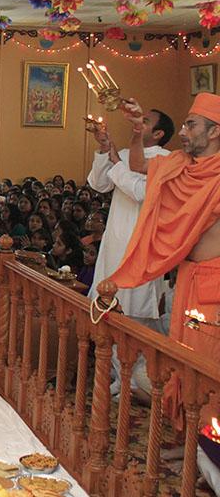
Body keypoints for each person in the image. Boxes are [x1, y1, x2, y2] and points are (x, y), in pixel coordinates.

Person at [109, 92, 220, 433]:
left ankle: (207, 448)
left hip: (213, 283)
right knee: (182, 362)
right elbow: (137, 166)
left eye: (191, 125)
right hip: (186, 278)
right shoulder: (180, 163)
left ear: (214, 131)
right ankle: (190, 443)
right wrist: (136, 130)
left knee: (205, 366)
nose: (183, 132)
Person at [87, 107, 173, 397]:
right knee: (108, 313)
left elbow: (140, 191)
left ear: (158, 134)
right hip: (114, 247)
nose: (138, 123)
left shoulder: (165, 160)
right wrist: (105, 149)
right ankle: (117, 376)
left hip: (141, 251)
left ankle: (134, 381)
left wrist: (116, 162)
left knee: (133, 317)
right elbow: (99, 184)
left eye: (145, 121)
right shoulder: (124, 154)